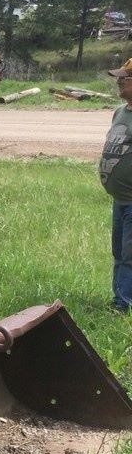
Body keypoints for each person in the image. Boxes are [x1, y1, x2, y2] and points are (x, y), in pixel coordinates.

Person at [100, 57, 132, 312]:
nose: (119, 82)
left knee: (130, 255)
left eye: (125, 78)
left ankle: (124, 304)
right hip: (119, 198)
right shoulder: (120, 111)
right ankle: (119, 298)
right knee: (119, 252)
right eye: (119, 78)